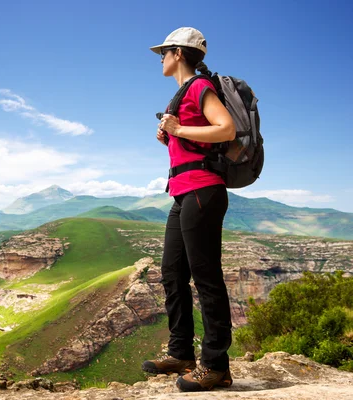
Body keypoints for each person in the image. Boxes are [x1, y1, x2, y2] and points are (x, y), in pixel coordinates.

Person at [141, 27, 236, 392]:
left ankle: (216, 366)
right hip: (182, 194)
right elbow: (193, 137)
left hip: (203, 192)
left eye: (163, 52)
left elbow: (225, 128)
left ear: (179, 53)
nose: (161, 59)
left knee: (206, 277)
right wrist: (172, 132)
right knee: (172, 272)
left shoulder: (198, 87)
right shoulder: (178, 96)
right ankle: (181, 352)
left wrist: (179, 130)